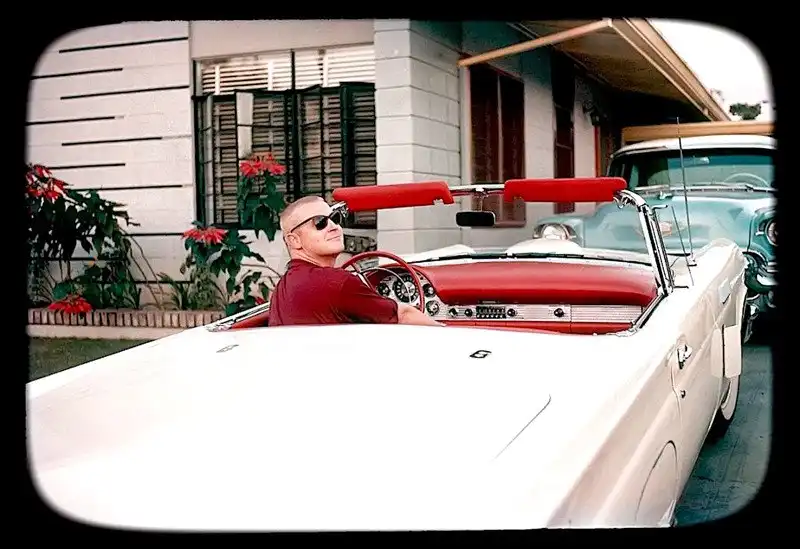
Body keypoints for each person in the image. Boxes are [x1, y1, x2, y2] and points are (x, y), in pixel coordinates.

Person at [267, 195, 444, 327]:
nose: (334, 227)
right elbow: (404, 316)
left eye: (335, 218)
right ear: (294, 240)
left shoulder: (282, 289)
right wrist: (445, 330)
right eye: (320, 222)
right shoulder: (338, 284)